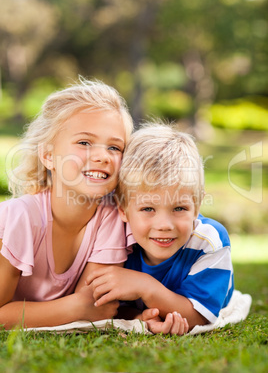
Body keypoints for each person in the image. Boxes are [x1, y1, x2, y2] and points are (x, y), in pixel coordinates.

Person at [0, 78, 135, 329]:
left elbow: (96, 305)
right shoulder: (21, 217)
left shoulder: (110, 218)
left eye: (114, 147)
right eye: (84, 142)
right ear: (49, 156)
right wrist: (73, 307)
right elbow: (83, 307)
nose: (102, 156)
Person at [87, 123, 234, 335]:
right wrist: (140, 317)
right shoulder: (116, 239)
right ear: (123, 209)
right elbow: (112, 306)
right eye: (148, 208)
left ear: (197, 206)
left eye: (179, 208)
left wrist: (144, 286)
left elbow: (198, 316)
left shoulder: (209, 241)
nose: (164, 225)